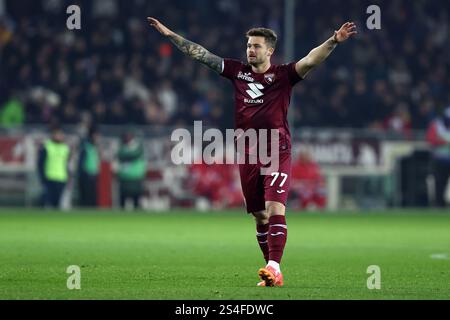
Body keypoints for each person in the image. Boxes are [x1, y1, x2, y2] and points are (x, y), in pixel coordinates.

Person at [148, 17, 356, 287]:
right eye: (248, 45)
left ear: (269, 51)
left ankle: (274, 266)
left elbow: (311, 60)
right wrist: (170, 35)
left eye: (256, 46)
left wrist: (333, 41)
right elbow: (202, 55)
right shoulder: (237, 71)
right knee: (259, 215)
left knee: (274, 207)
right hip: (247, 150)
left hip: (275, 148)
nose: (250, 50)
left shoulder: (283, 75)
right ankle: (272, 271)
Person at [37, 126, 71, 208]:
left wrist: (69, 177)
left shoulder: (65, 148)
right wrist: (42, 178)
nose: (59, 136)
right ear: (52, 135)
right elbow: (40, 164)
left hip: (61, 178)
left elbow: (67, 164)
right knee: (48, 202)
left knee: (58, 203)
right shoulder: (47, 146)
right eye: (57, 134)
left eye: (60, 134)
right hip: (49, 177)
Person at [116, 131, 147, 210]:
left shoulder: (138, 147)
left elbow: (136, 154)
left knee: (136, 202)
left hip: (136, 179)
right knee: (122, 203)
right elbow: (121, 155)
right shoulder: (122, 148)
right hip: (124, 179)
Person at [426, 106, 450, 207]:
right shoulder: (436, 125)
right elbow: (430, 139)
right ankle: (438, 203)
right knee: (440, 182)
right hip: (439, 159)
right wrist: (444, 142)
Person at [77, 126, 100, 207]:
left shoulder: (94, 146)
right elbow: (81, 161)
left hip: (93, 174)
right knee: (86, 198)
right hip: (86, 175)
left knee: (92, 197)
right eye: (97, 135)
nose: (98, 137)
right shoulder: (85, 145)